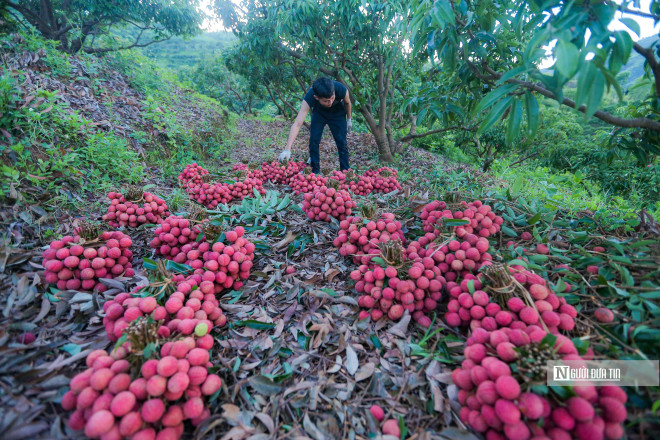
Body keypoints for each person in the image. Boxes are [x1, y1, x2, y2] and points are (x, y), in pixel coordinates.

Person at [278, 77, 352, 174]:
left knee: (341, 141)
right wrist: (287, 149)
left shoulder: (340, 89)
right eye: (326, 101)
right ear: (316, 97)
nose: (330, 102)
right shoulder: (309, 96)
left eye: (332, 98)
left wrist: (349, 119)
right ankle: (315, 171)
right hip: (319, 113)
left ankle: (345, 171)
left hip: (338, 112)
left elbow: (347, 102)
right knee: (314, 140)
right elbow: (297, 124)